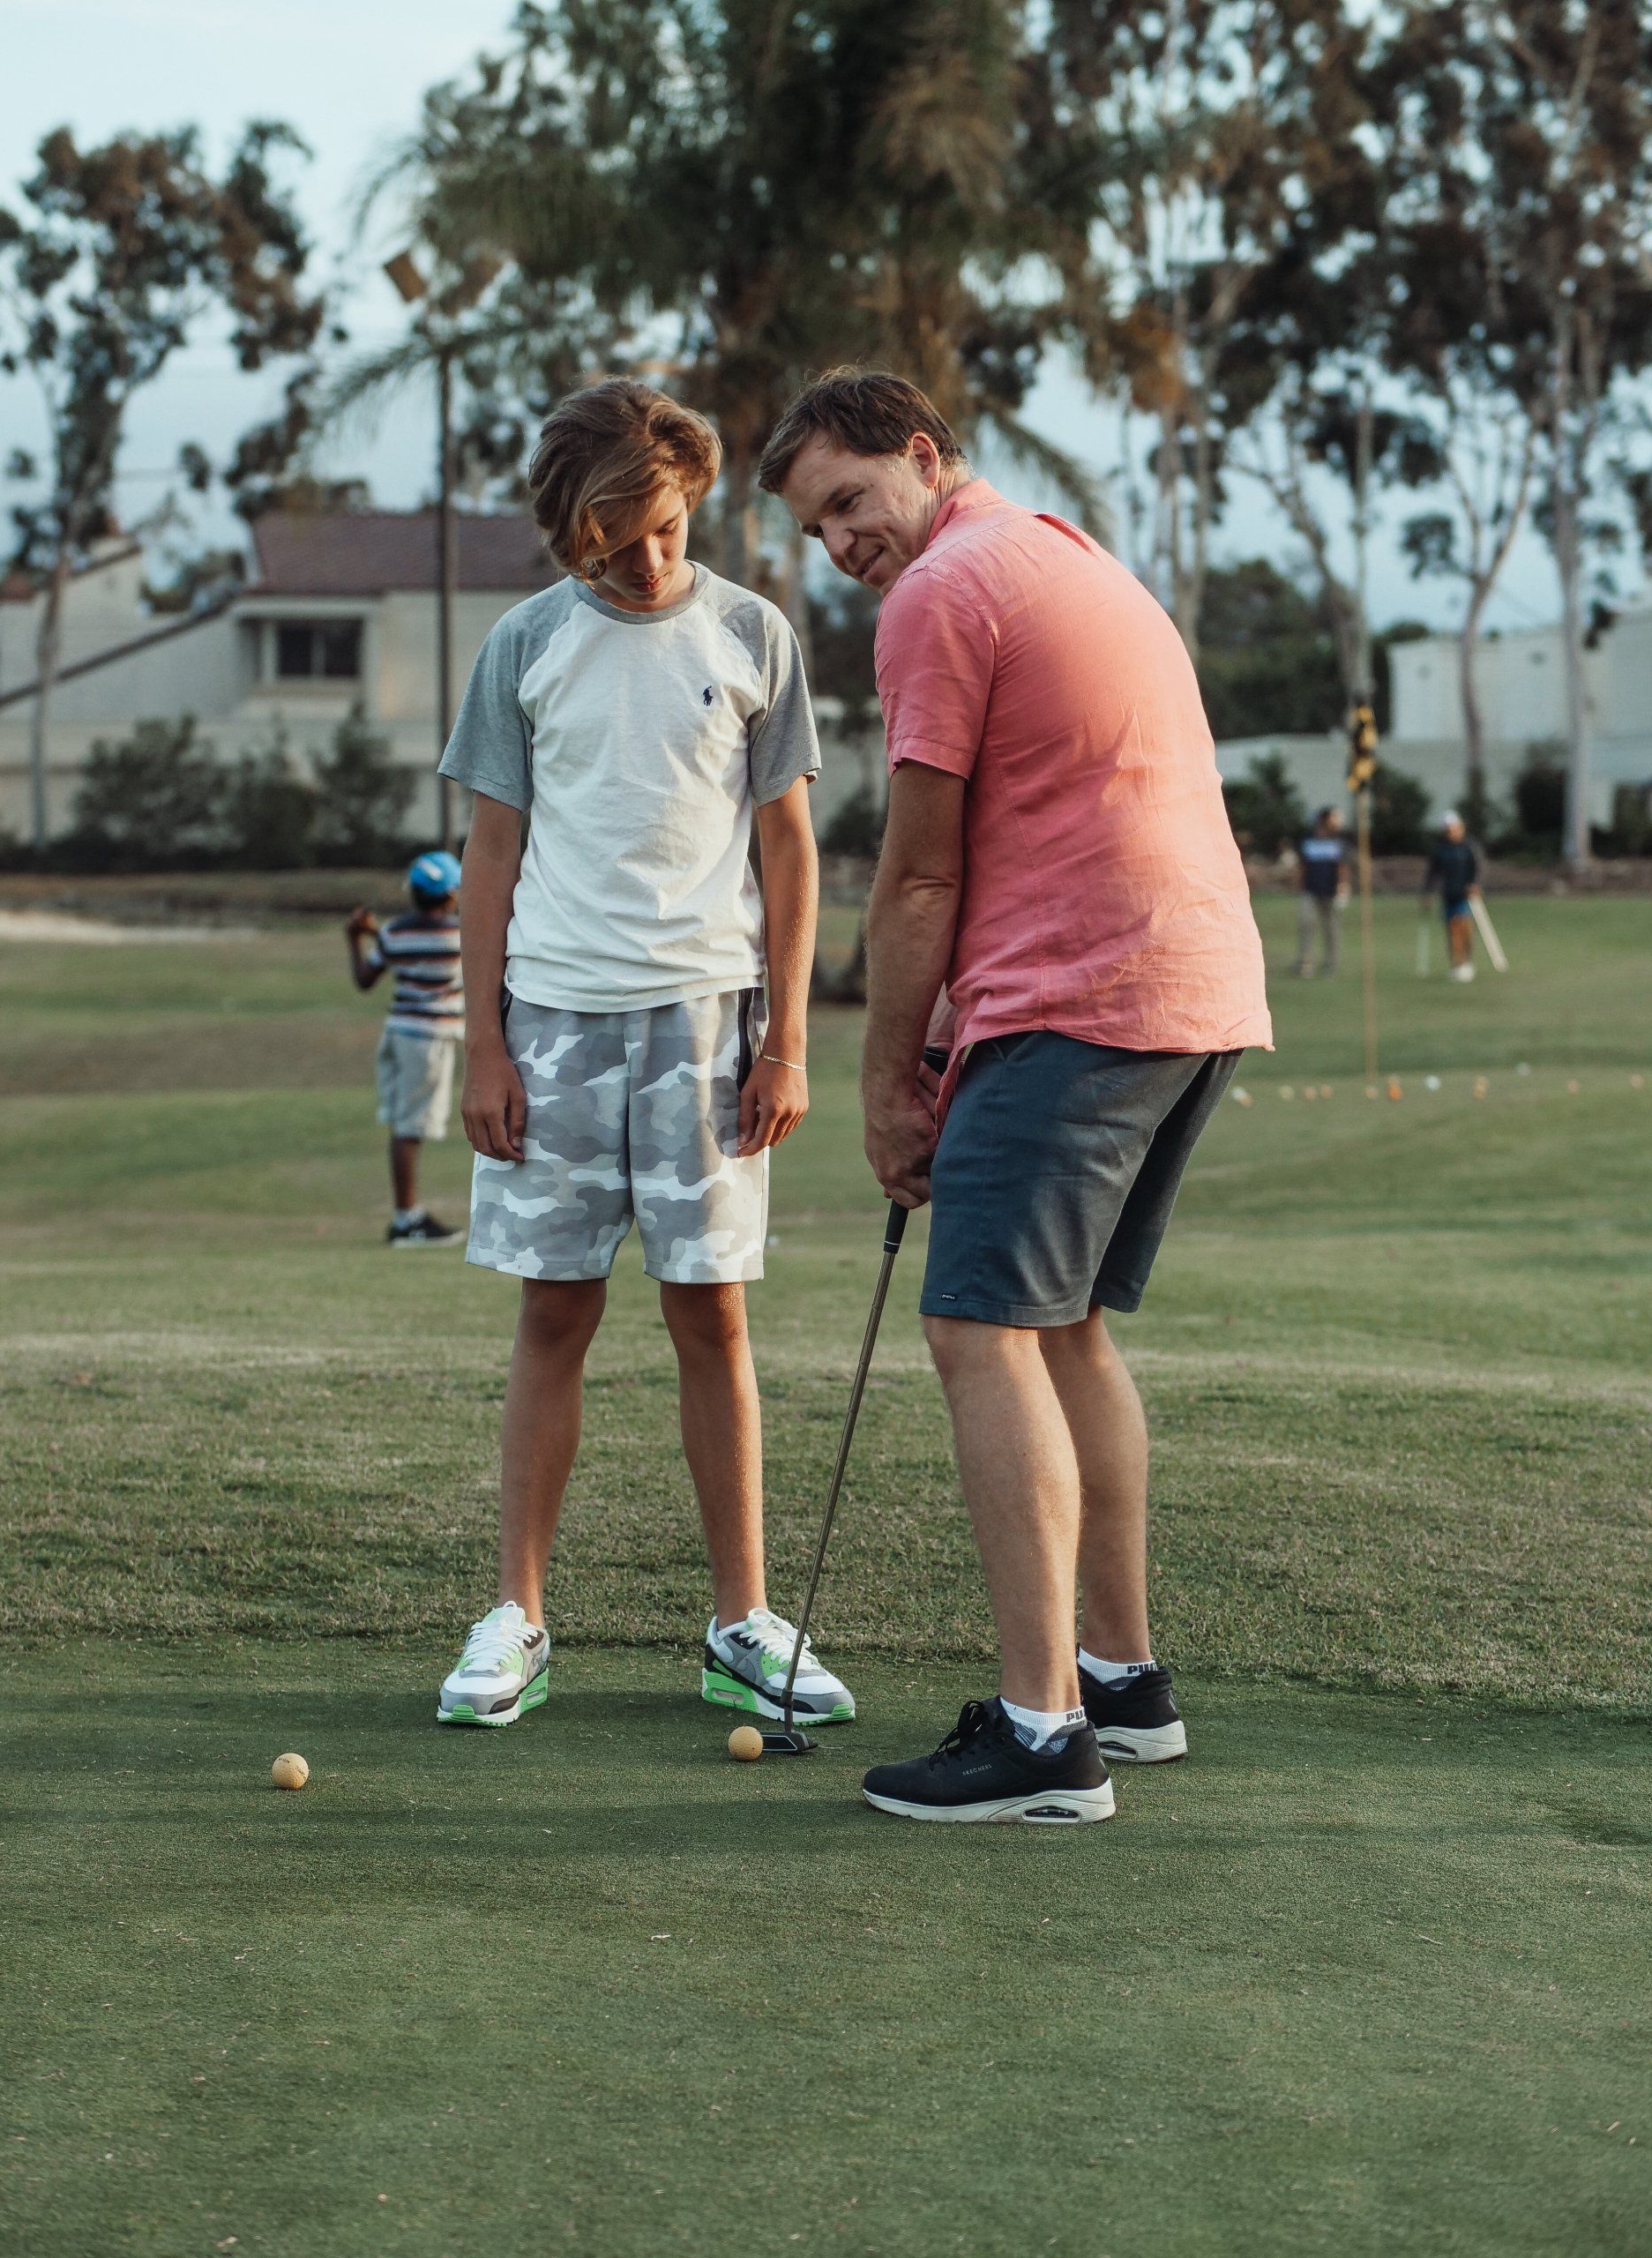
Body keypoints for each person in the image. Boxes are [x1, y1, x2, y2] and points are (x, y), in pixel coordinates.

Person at [762, 368, 1271, 1825]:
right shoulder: (1062, 554)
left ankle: (1046, 1739)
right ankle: (1121, 1682)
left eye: (852, 501)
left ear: (922, 458)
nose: (842, 542)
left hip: (1082, 995)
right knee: (1060, 1333)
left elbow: (919, 874)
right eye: (816, 527)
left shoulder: (941, 593)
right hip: (1190, 992)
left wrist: (883, 1083)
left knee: (976, 1328)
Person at [431, 378, 855, 1734]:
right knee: (552, 1313)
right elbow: (487, 856)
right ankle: (518, 1619)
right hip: (551, 1026)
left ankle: (742, 1622)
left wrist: (789, 1042)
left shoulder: (753, 634)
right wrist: (480, 1045)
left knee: (711, 1316)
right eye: (618, 536)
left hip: (707, 1024)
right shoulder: (525, 644)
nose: (649, 557)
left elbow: (789, 849)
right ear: (573, 528)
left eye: (666, 527)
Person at [346, 849, 466, 1247]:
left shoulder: (395, 933)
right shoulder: (459, 935)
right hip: (428, 1040)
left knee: (404, 1126)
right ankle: (407, 1221)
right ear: (450, 897)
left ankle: (406, 1217)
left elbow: (366, 978)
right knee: (411, 1128)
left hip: (398, 1033)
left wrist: (356, 938)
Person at [1423, 811, 1481, 982]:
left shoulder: (1469, 847)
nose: (1452, 833)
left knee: (1465, 929)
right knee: (1453, 929)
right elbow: (1432, 873)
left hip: (1466, 895)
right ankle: (1458, 964)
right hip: (1449, 894)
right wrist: (1427, 893)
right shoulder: (1440, 849)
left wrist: (1476, 884)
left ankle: (1467, 962)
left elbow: (1477, 868)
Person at [1293, 805, 1347, 976]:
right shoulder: (1309, 840)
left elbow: (1341, 866)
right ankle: (1305, 964)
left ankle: (1331, 964)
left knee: (1331, 929)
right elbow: (1303, 865)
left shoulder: (1336, 841)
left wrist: (1342, 886)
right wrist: (1299, 883)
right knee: (1306, 925)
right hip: (1311, 890)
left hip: (1330, 891)